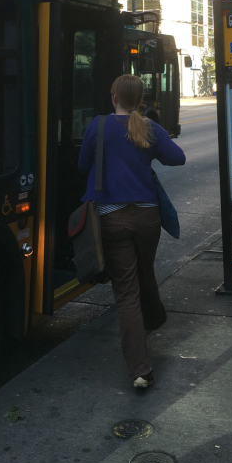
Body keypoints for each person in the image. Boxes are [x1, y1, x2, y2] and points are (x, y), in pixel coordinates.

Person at [78, 74, 186, 389]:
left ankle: (140, 369)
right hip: (148, 218)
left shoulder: (98, 126)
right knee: (143, 271)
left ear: (114, 97)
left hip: (112, 219)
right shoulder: (149, 128)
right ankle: (153, 319)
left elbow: (83, 165)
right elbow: (177, 158)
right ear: (140, 100)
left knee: (126, 291)